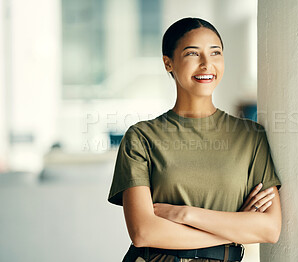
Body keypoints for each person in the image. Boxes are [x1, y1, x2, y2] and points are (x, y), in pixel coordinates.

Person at [107, 17, 282, 262]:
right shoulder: (141, 138)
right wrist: (234, 230)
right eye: (192, 54)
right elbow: (143, 232)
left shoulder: (251, 137)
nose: (206, 64)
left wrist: (185, 215)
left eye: (215, 53)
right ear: (168, 63)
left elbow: (269, 229)